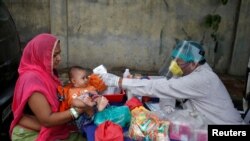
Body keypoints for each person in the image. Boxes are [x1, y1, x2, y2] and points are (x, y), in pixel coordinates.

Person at [100, 40, 245, 124]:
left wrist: (118, 81)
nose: (174, 64)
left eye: (179, 62)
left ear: (193, 63)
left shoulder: (202, 79)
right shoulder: (194, 70)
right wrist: (167, 108)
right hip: (202, 119)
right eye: (174, 60)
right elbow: (167, 85)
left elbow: (163, 87)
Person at [9, 33, 90, 141]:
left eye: (59, 54)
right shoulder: (31, 80)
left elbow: (59, 97)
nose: (59, 58)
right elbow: (47, 120)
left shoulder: (47, 73)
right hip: (29, 134)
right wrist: (78, 110)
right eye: (54, 55)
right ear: (40, 54)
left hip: (50, 127)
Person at [58, 66, 109, 132]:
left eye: (86, 77)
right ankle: (90, 108)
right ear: (74, 81)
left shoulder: (89, 86)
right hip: (83, 117)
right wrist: (85, 104)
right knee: (75, 101)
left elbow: (98, 92)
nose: (86, 80)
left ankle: (100, 107)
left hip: (95, 108)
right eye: (83, 78)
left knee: (95, 94)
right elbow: (73, 103)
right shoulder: (71, 91)